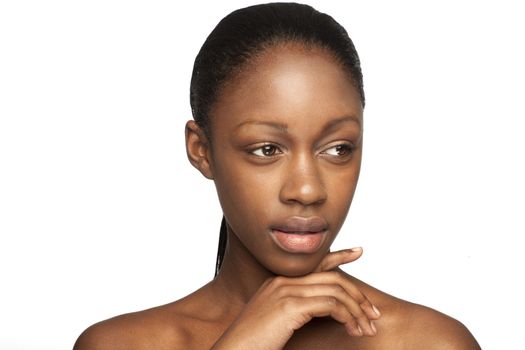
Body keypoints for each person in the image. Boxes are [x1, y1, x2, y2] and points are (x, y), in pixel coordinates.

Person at [74, 3, 480, 349]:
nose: (307, 189)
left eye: (338, 149)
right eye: (267, 150)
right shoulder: (120, 344)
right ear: (202, 150)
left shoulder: (429, 342)